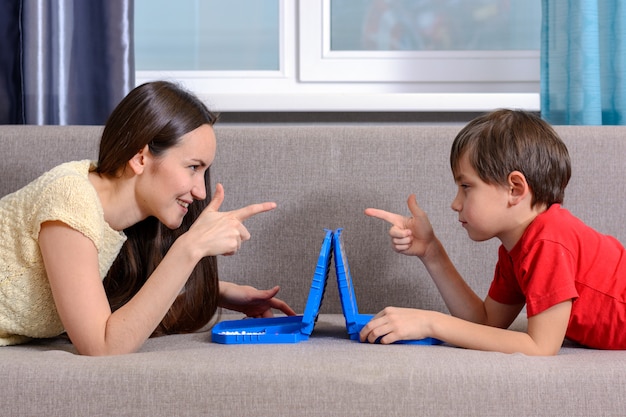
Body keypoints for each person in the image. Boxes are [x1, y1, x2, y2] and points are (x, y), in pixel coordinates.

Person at [0, 81, 295, 356]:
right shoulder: (71, 199)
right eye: (193, 167)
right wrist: (190, 247)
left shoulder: (119, 220)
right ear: (140, 158)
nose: (201, 191)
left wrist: (216, 291)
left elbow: (117, 298)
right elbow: (103, 346)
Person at [362, 109, 626, 355]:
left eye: (466, 186)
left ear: (515, 189)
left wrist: (431, 323)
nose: (455, 204)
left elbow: (541, 346)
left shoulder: (549, 239)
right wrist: (431, 251)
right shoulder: (516, 249)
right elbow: (486, 322)